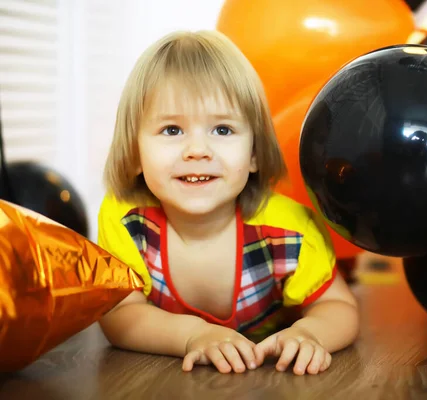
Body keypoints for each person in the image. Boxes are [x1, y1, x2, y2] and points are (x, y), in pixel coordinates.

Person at [96, 30, 360, 376]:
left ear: (253, 154)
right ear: (135, 155)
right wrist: (193, 335)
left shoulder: (289, 232)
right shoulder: (127, 221)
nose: (197, 150)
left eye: (222, 130)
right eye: (172, 130)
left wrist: (309, 333)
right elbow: (118, 315)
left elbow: (338, 306)